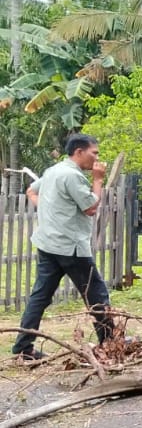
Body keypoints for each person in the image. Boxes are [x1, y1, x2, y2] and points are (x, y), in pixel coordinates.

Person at [12, 133, 116, 361]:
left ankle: (23, 348)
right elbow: (90, 208)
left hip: (48, 243)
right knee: (96, 293)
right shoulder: (72, 176)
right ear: (79, 152)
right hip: (71, 247)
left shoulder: (54, 170)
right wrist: (98, 180)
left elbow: (31, 190)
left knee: (40, 295)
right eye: (94, 153)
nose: (97, 158)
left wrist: (51, 212)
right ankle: (110, 343)